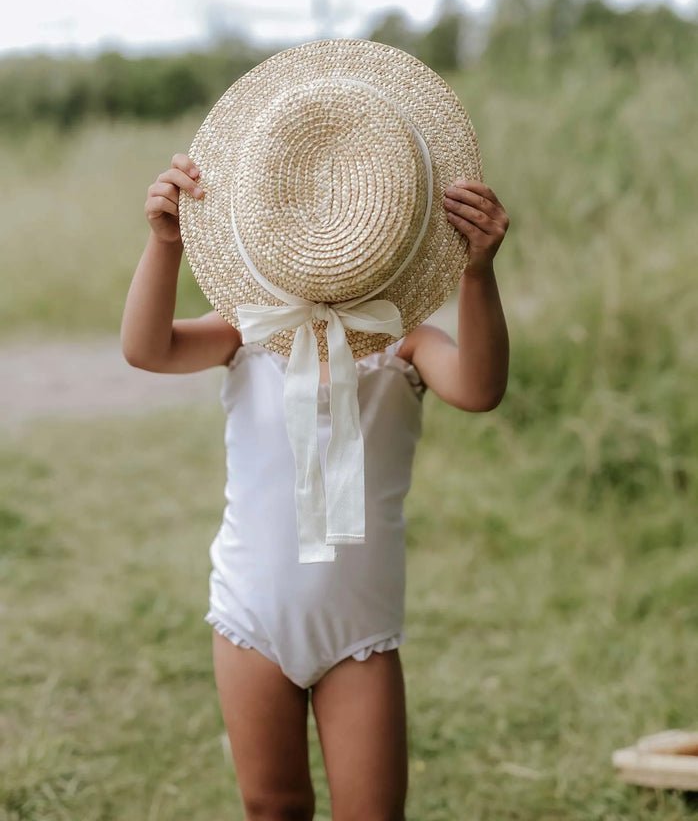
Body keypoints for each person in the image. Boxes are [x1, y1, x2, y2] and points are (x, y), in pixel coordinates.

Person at [121, 42, 509, 821]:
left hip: (357, 632)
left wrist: (476, 274)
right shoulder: (247, 329)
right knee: (272, 806)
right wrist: (165, 246)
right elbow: (147, 346)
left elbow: (481, 387)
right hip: (249, 618)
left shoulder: (407, 343)